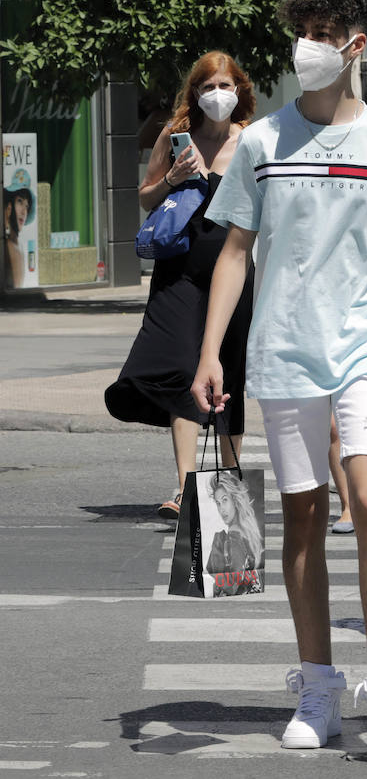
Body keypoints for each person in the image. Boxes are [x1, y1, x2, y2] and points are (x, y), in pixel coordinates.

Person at [191, 0, 367, 752]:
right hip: (285, 347)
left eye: (321, 31)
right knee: (302, 510)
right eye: (299, 29)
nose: (306, 44)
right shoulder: (263, 143)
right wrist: (210, 349)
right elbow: (235, 252)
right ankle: (318, 686)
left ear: (354, 45)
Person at [105, 52, 256, 518]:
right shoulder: (176, 138)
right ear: (194, 92)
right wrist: (173, 178)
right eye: (208, 86)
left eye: (225, 86)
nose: (217, 95)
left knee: (229, 372)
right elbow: (147, 196)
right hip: (179, 272)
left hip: (235, 275)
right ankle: (188, 485)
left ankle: (230, 479)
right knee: (175, 367)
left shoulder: (253, 141)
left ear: (240, 91)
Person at [206, 471, 265, 596]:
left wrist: (217, 545)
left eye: (225, 500)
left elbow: (232, 585)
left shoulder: (234, 534)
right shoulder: (248, 528)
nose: (221, 509)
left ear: (235, 500)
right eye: (218, 503)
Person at [3, 180, 33, 289]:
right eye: (20, 201)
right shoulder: (6, 246)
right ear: (9, 208)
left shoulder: (18, 246)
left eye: (27, 206)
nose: (24, 212)